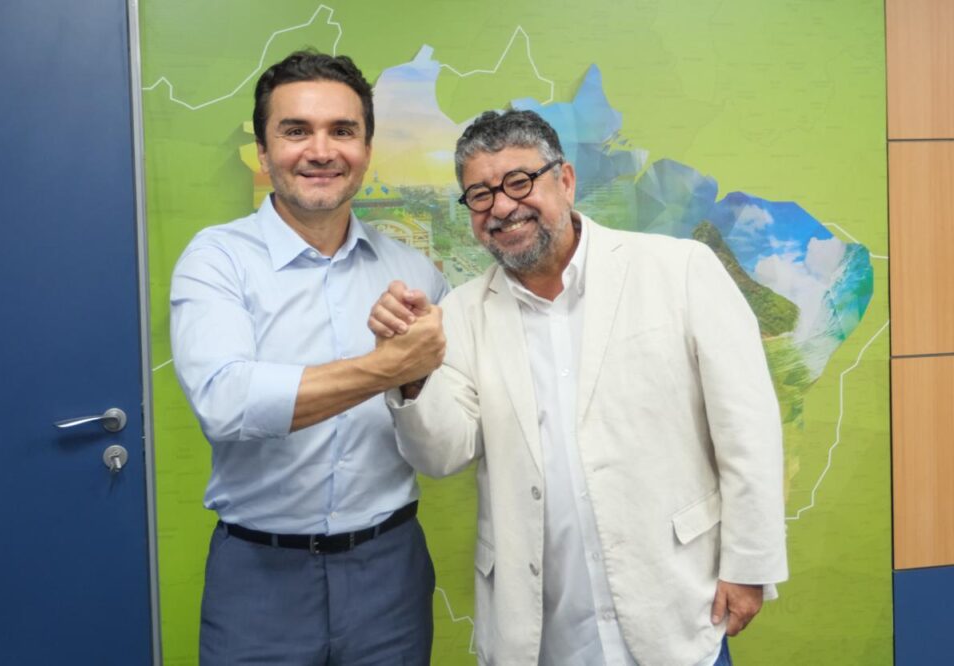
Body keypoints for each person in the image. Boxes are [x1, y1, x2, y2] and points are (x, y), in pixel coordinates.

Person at [369, 109, 788, 665]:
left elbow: (747, 428)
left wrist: (750, 565)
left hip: (676, 607)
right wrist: (410, 369)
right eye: (480, 195)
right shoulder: (463, 313)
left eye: (520, 181)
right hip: (542, 629)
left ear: (565, 181)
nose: (502, 207)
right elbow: (442, 454)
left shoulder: (680, 270)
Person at [170, 51, 447, 665]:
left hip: (390, 575)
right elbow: (226, 403)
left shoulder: (415, 273)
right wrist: (390, 367)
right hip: (258, 576)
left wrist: (416, 382)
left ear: (366, 149)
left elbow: (442, 427)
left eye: (342, 131)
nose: (321, 151)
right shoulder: (216, 260)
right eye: (296, 130)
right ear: (263, 152)